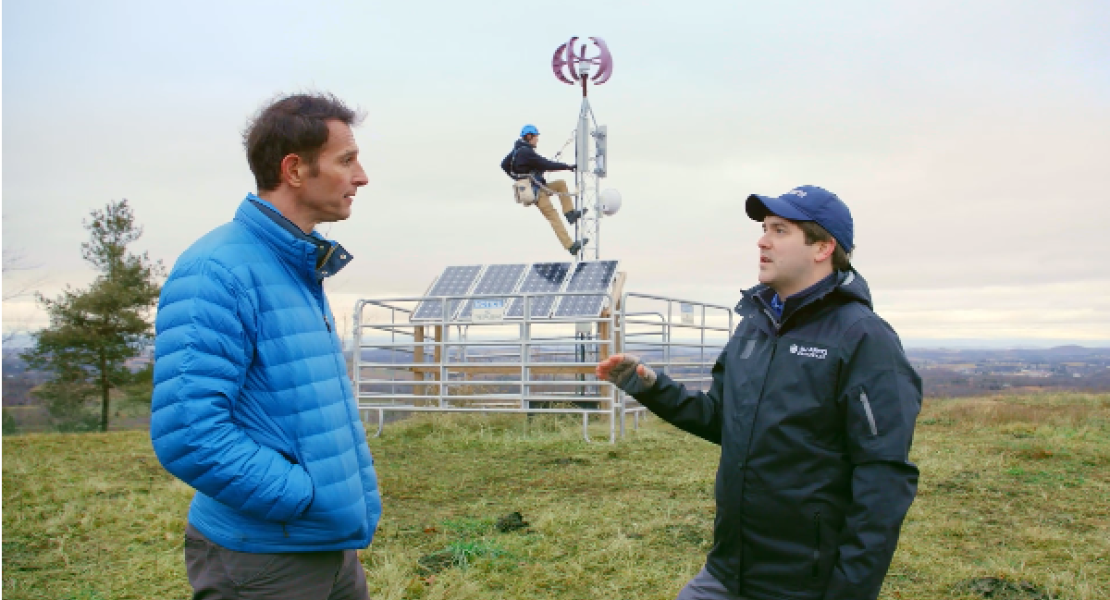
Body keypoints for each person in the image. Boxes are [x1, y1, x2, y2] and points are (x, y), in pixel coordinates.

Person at [597, 186, 922, 600]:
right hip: (728, 570)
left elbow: (884, 476)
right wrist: (651, 388)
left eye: (780, 230)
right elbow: (723, 420)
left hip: (805, 584)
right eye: (765, 228)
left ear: (823, 247)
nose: (762, 240)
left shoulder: (863, 337)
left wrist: (849, 591)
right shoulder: (754, 327)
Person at [150, 93, 381, 600]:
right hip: (264, 558)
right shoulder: (218, 271)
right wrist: (304, 496)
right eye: (346, 160)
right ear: (295, 169)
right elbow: (187, 433)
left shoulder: (293, 264)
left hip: (325, 546)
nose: (361, 177)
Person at [500, 124, 588, 255]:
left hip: (539, 187)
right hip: (537, 192)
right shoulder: (526, 152)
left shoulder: (517, 150)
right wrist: (568, 167)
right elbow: (546, 164)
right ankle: (570, 246)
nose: (537, 139)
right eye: (536, 137)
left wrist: (517, 176)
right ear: (529, 136)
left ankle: (570, 214)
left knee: (560, 184)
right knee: (553, 217)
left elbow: (504, 165)